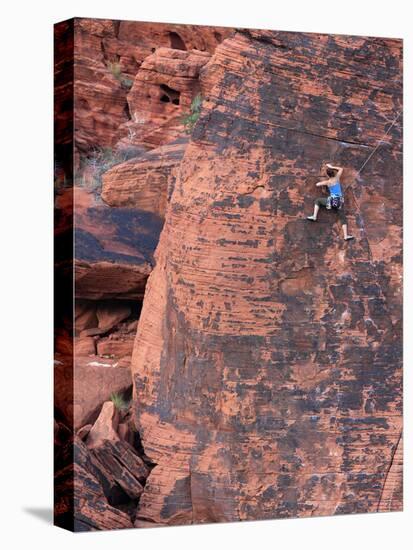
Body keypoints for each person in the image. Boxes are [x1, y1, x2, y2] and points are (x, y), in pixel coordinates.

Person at [306, 163, 354, 241]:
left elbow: (317, 184)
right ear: (334, 173)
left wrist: (324, 181)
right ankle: (345, 236)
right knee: (343, 218)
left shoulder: (328, 182)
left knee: (318, 201)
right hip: (339, 202)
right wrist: (331, 167)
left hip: (332, 202)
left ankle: (314, 216)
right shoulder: (337, 178)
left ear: (328, 175)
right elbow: (341, 169)